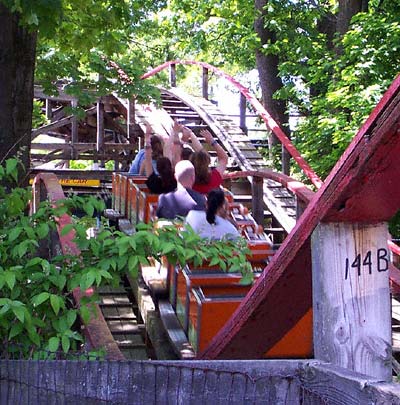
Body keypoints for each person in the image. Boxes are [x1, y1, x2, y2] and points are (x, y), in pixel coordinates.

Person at [187, 129, 228, 194]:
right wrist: (212, 141)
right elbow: (224, 158)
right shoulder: (214, 177)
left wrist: (190, 134)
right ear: (208, 162)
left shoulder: (186, 180)